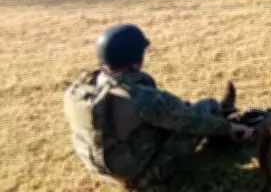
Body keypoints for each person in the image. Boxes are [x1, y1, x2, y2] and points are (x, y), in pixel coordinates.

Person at [63, 24, 253, 191]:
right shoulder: (137, 96)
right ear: (136, 59)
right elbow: (190, 121)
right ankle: (223, 116)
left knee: (175, 114)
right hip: (141, 176)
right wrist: (230, 128)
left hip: (104, 172)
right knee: (204, 108)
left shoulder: (81, 89)